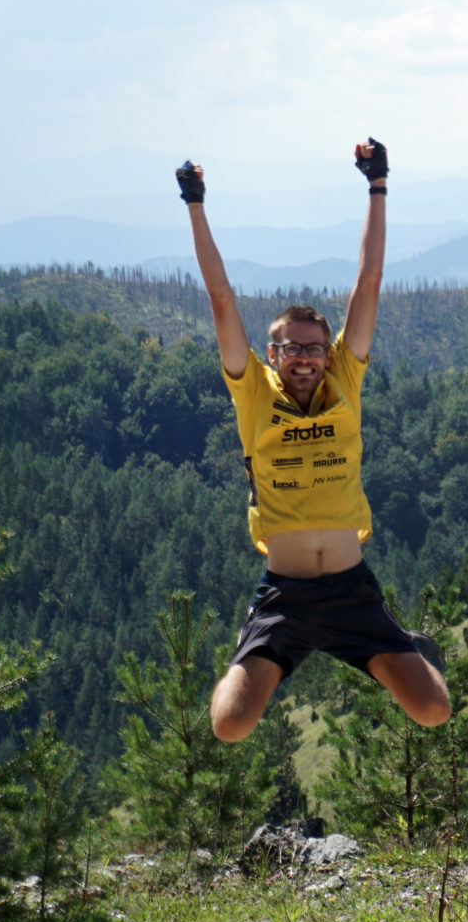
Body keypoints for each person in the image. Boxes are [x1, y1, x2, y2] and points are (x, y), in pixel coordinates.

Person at [177, 140, 451, 743]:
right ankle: (246, 648)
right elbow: (221, 298)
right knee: (229, 726)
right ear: (272, 354)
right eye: (291, 348)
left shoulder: (344, 378)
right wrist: (195, 204)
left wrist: (377, 185)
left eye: (314, 347)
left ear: (329, 353)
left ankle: (414, 648)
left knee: (434, 711)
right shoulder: (253, 390)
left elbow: (369, 281)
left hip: (352, 589)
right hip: (286, 595)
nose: (304, 357)